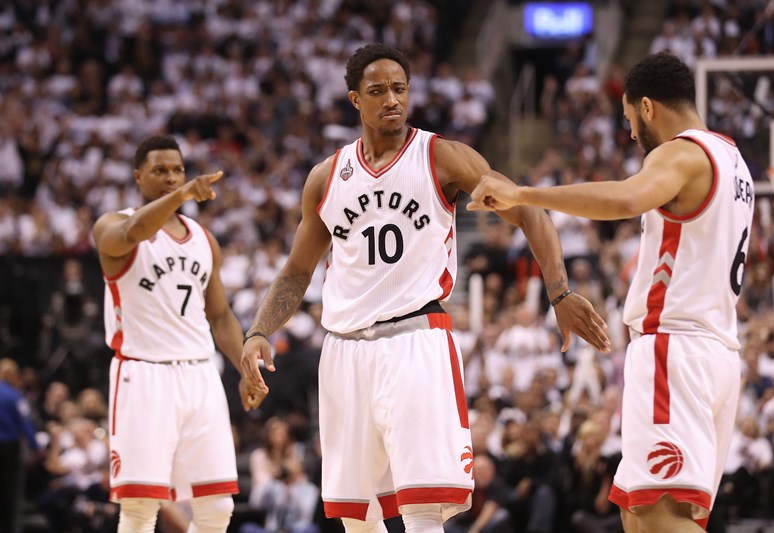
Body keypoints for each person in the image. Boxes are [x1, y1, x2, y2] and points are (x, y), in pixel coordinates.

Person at [240, 43, 610, 533]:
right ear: (355, 100)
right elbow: (295, 270)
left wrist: (559, 292)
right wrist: (259, 329)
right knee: (357, 518)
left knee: (422, 513)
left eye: (399, 88)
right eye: (377, 91)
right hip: (344, 351)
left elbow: (528, 210)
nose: (391, 99)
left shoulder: (442, 156)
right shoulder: (326, 178)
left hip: (414, 340)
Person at [468, 52, 755, 532]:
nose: (629, 134)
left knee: (662, 518)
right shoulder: (734, 160)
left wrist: (524, 194)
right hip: (712, 353)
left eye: (627, 120)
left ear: (647, 108)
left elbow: (625, 198)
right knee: (638, 513)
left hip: (675, 350)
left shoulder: (681, 152)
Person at [92, 135, 266, 533]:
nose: (171, 178)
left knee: (218, 506)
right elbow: (135, 229)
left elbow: (220, 317)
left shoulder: (204, 240)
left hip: (201, 374)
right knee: (139, 506)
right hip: (144, 374)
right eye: (160, 171)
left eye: (178, 171)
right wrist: (181, 195)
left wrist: (244, 368)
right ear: (139, 176)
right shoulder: (113, 224)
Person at [0, 358, 39, 533]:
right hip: (8, 449)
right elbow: (25, 423)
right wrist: (36, 447)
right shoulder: (15, 396)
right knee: (9, 492)